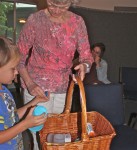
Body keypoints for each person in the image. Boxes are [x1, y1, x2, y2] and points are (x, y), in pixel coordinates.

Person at [17, 0, 93, 149]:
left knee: (57, 136)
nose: (56, 10)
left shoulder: (77, 22)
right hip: (36, 87)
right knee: (38, 136)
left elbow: (86, 56)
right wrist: (29, 83)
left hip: (63, 88)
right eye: (52, 4)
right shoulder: (35, 20)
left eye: (63, 6)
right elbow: (19, 56)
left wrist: (84, 65)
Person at [0, 37, 48, 149]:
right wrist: (25, 124)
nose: (17, 72)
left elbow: (12, 116)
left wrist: (34, 102)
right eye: (12, 68)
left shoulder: (4, 91)